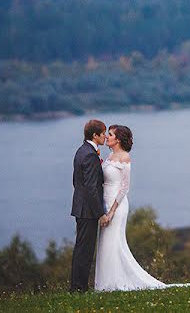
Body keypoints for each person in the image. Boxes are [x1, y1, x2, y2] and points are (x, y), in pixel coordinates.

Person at [93, 124, 190, 292]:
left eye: (110, 135)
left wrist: (111, 211)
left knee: (112, 243)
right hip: (105, 204)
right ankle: (105, 283)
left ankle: (113, 284)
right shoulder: (110, 156)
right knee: (105, 244)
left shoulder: (124, 157)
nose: (107, 137)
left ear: (117, 139)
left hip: (116, 207)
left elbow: (124, 187)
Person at [69, 119, 106, 292]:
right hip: (88, 210)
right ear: (95, 135)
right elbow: (91, 188)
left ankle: (77, 287)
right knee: (85, 250)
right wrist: (100, 213)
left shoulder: (81, 150)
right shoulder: (90, 155)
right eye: (103, 133)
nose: (105, 136)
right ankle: (79, 288)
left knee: (81, 248)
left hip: (80, 207)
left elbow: (76, 181)